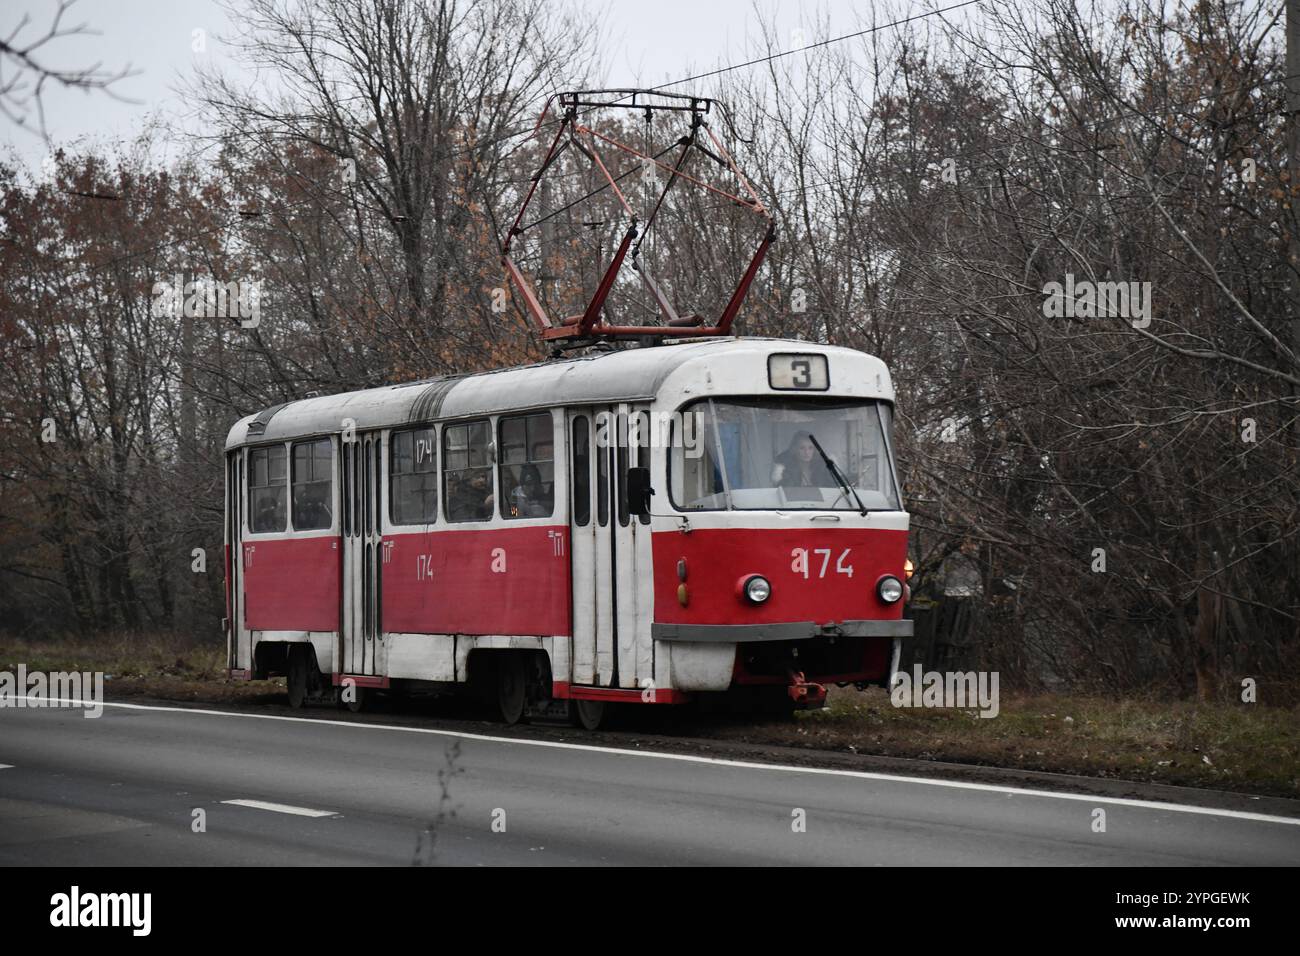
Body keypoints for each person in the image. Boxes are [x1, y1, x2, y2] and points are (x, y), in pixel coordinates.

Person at [771, 431, 836, 488]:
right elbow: (785, 490)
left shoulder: (822, 468)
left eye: (810, 448)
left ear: (815, 450)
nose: (807, 452)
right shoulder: (787, 469)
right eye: (802, 448)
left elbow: (832, 489)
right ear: (795, 449)